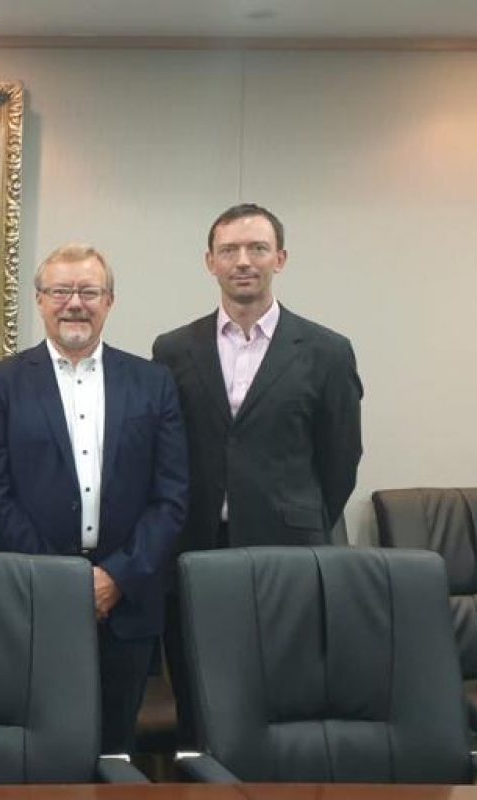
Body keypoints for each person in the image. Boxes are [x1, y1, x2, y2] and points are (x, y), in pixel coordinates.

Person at [152, 203, 363, 744]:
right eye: (229, 251)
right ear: (210, 262)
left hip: (287, 552)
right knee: (197, 701)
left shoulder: (326, 351)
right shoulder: (174, 349)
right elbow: (165, 452)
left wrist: (297, 515)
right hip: (194, 549)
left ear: (281, 259)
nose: (243, 261)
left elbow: (340, 460)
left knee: (281, 701)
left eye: (257, 249)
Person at [0, 244, 188, 754]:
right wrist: (62, 580)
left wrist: (117, 576)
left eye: (88, 291)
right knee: (35, 752)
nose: (74, 303)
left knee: (114, 748)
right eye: (61, 291)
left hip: (126, 601)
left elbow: (172, 495)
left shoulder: (152, 383)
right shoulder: (1, 383)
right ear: (40, 301)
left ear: (109, 301)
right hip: (31, 600)